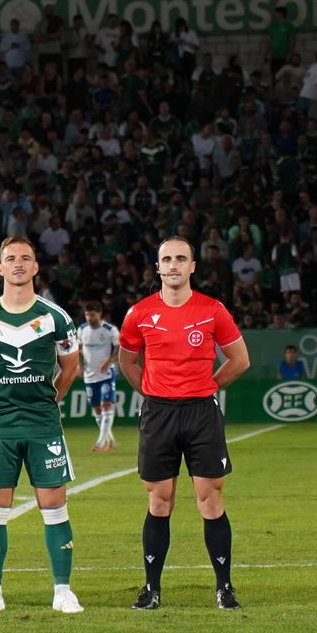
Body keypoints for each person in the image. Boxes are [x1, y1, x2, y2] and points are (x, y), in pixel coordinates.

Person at [117, 238, 252, 612]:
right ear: (157, 268)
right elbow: (127, 361)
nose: (173, 265)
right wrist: (151, 391)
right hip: (159, 413)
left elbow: (240, 359)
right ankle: (151, 589)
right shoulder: (139, 313)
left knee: (210, 500)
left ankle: (224, 588)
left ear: (193, 266)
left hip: (201, 414)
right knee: (159, 501)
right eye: (166, 259)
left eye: (180, 258)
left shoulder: (212, 309)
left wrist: (208, 386)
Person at [0, 237, 84, 615]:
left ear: (35, 268)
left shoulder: (56, 317)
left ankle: (62, 591)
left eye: (24, 259)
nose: (17, 264)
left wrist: (51, 399)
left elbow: (70, 367)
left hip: (44, 427)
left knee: (54, 507)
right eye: (10, 259)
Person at [78, 303, 121, 451]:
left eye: (92, 314)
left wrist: (109, 361)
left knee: (106, 404)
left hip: (106, 374)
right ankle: (111, 440)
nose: (89, 318)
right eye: (87, 314)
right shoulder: (82, 329)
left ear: (100, 314)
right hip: (89, 375)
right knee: (97, 409)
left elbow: (119, 347)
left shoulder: (109, 330)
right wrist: (80, 365)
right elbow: (78, 348)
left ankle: (100, 442)